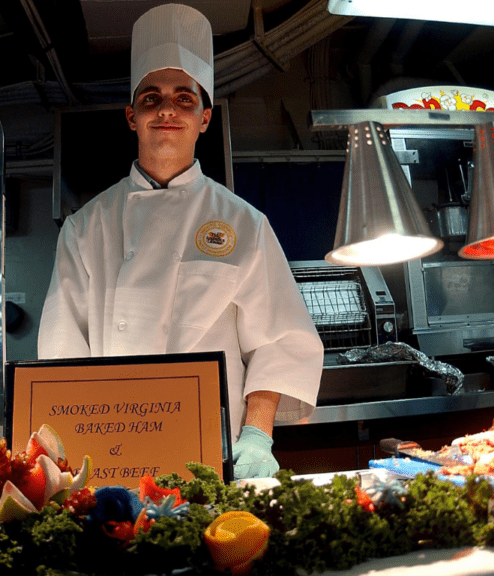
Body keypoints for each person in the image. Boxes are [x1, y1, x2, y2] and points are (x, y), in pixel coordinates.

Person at [38, 3, 323, 480]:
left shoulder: (245, 225)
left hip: (214, 452)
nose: (167, 109)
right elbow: (63, 360)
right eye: (151, 98)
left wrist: (256, 438)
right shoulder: (86, 228)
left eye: (184, 98)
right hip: (113, 456)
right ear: (131, 116)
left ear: (205, 117)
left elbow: (280, 344)